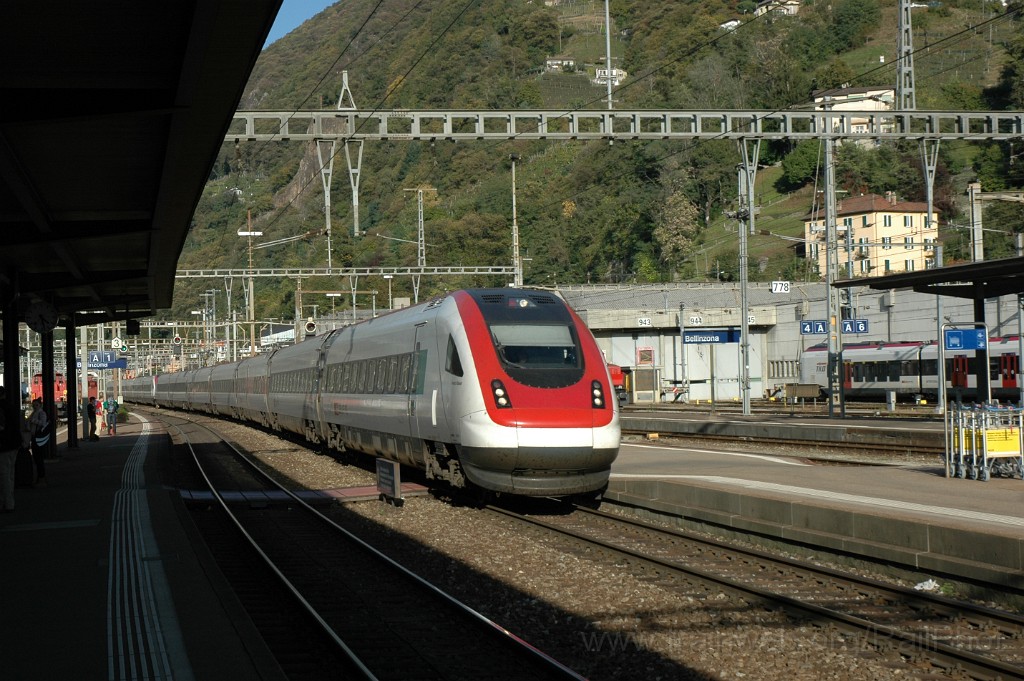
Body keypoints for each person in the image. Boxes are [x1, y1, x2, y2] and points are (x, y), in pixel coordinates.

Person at [0, 388, 15, 512]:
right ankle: (10, 499)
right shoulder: (11, 407)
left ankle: (7, 502)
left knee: (3, 475)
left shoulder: (1, 409)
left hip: (3, 445)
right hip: (14, 444)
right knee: (10, 473)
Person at [28, 398, 48, 485]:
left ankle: (41, 477)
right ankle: (40, 477)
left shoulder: (41, 413)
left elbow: (43, 423)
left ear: (40, 405)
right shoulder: (33, 413)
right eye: (33, 405)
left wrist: (33, 421)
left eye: (36, 405)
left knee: (39, 458)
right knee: (36, 458)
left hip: (38, 438)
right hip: (34, 437)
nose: (34, 406)